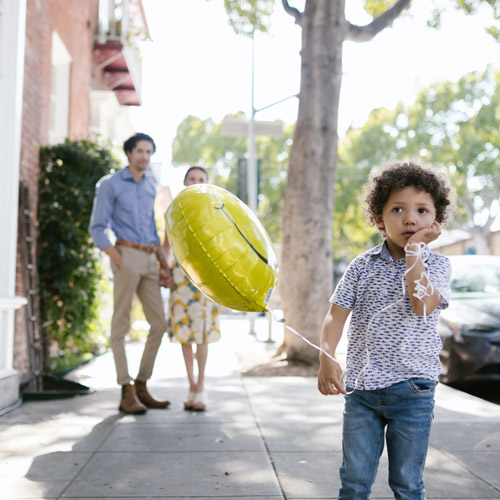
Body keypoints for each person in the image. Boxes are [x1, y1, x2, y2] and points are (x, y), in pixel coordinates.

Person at [317, 161, 453, 499]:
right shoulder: (362, 266)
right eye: (398, 209)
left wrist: (413, 253)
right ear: (379, 218)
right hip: (362, 391)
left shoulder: (438, 265)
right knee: (354, 481)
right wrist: (326, 356)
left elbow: (422, 304)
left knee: (407, 483)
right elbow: (335, 316)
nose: (410, 218)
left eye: (422, 210)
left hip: (413, 392)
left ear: (435, 221)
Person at [90, 133, 173, 414]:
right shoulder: (110, 185)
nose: (145, 157)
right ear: (128, 153)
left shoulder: (150, 186)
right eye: (140, 151)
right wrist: (118, 257)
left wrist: (163, 265)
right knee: (121, 325)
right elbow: (97, 228)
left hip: (151, 258)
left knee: (159, 324)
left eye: (149, 152)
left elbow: (152, 228)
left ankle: (141, 385)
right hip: (127, 255)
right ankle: (125, 390)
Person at [161, 166, 221, 411]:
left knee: (202, 335)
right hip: (180, 278)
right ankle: (191, 385)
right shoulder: (174, 211)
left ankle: (201, 387)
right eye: (192, 178)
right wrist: (163, 270)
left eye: (201, 179)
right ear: (185, 182)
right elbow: (166, 246)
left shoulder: (215, 211)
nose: (196, 182)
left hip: (204, 279)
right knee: (185, 335)